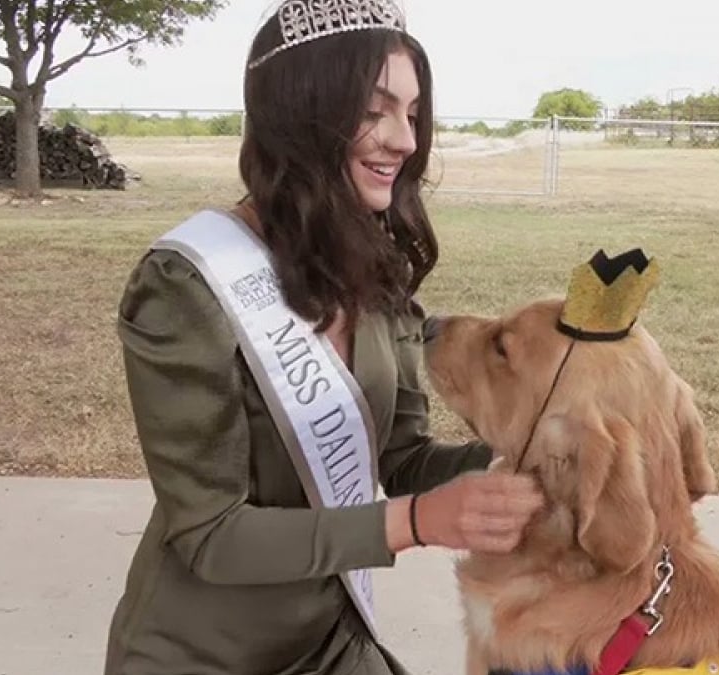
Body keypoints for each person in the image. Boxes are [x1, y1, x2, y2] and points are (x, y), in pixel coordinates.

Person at [102, 1, 546, 674]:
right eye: (375, 110)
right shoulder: (186, 284)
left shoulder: (373, 267)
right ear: (299, 111)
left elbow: (400, 456)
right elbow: (211, 533)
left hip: (331, 642)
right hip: (200, 654)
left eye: (414, 113)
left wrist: (531, 453)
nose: (404, 138)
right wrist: (416, 521)